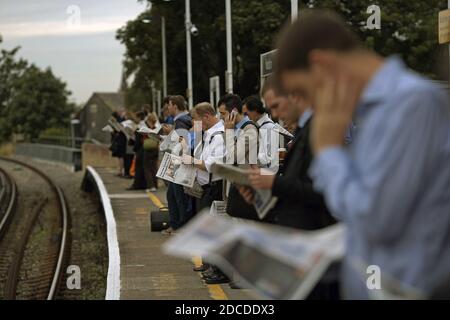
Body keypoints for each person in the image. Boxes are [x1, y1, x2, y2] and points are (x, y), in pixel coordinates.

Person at [275, 10, 450, 299]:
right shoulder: (372, 112)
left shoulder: (410, 105)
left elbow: (377, 220)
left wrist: (329, 152)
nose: (307, 105)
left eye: (303, 91)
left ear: (321, 65)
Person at [182, 103, 226, 283]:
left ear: (207, 116)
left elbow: (211, 165)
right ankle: (209, 264)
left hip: (213, 187)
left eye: (197, 119)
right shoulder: (209, 134)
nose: (196, 123)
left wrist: (190, 160)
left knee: (213, 230)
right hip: (205, 187)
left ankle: (216, 268)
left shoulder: (219, 135)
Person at [217, 94, 259, 222]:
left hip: (246, 189)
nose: (221, 118)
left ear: (234, 112)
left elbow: (233, 156)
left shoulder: (249, 129)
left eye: (223, 114)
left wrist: (228, 132)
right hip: (235, 185)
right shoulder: (235, 128)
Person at [162, 95, 193, 235]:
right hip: (179, 162)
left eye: (169, 105)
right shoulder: (185, 119)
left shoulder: (181, 121)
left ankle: (180, 226)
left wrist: (170, 135)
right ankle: (175, 225)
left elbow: (183, 142)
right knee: (173, 195)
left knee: (178, 197)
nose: (167, 108)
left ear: (175, 106)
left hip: (179, 163)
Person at [242, 96, 277, 169]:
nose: (247, 117)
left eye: (246, 114)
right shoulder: (259, 126)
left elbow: (268, 158)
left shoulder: (269, 127)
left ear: (255, 110)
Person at [143, 113, 160, 192]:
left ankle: (150, 186)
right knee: (154, 167)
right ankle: (155, 185)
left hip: (148, 149)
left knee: (147, 168)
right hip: (155, 149)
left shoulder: (146, 130)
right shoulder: (157, 129)